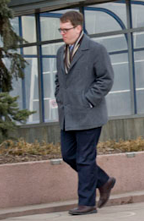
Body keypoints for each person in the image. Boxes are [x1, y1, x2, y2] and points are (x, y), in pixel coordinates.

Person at [55, 11, 116, 215]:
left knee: (85, 158)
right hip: (68, 115)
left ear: (78, 28)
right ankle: (103, 181)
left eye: (66, 29)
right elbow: (59, 80)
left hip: (89, 114)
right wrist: (60, 97)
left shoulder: (96, 50)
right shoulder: (60, 52)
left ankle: (87, 203)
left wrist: (88, 100)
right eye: (61, 30)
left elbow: (106, 79)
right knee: (68, 155)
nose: (62, 33)